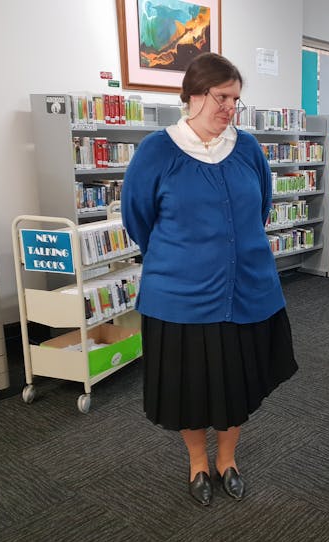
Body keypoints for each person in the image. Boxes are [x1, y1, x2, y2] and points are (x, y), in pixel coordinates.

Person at [121, 53, 298, 507]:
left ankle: (228, 459)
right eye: (222, 98)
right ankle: (198, 461)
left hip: (247, 292)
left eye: (235, 100)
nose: (229, 109)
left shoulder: (248, 148)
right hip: (180, 298)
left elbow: (259, 210)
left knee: (236, 382)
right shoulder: (156, 152)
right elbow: (139, 221)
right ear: (193, 95)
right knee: (189, 386)